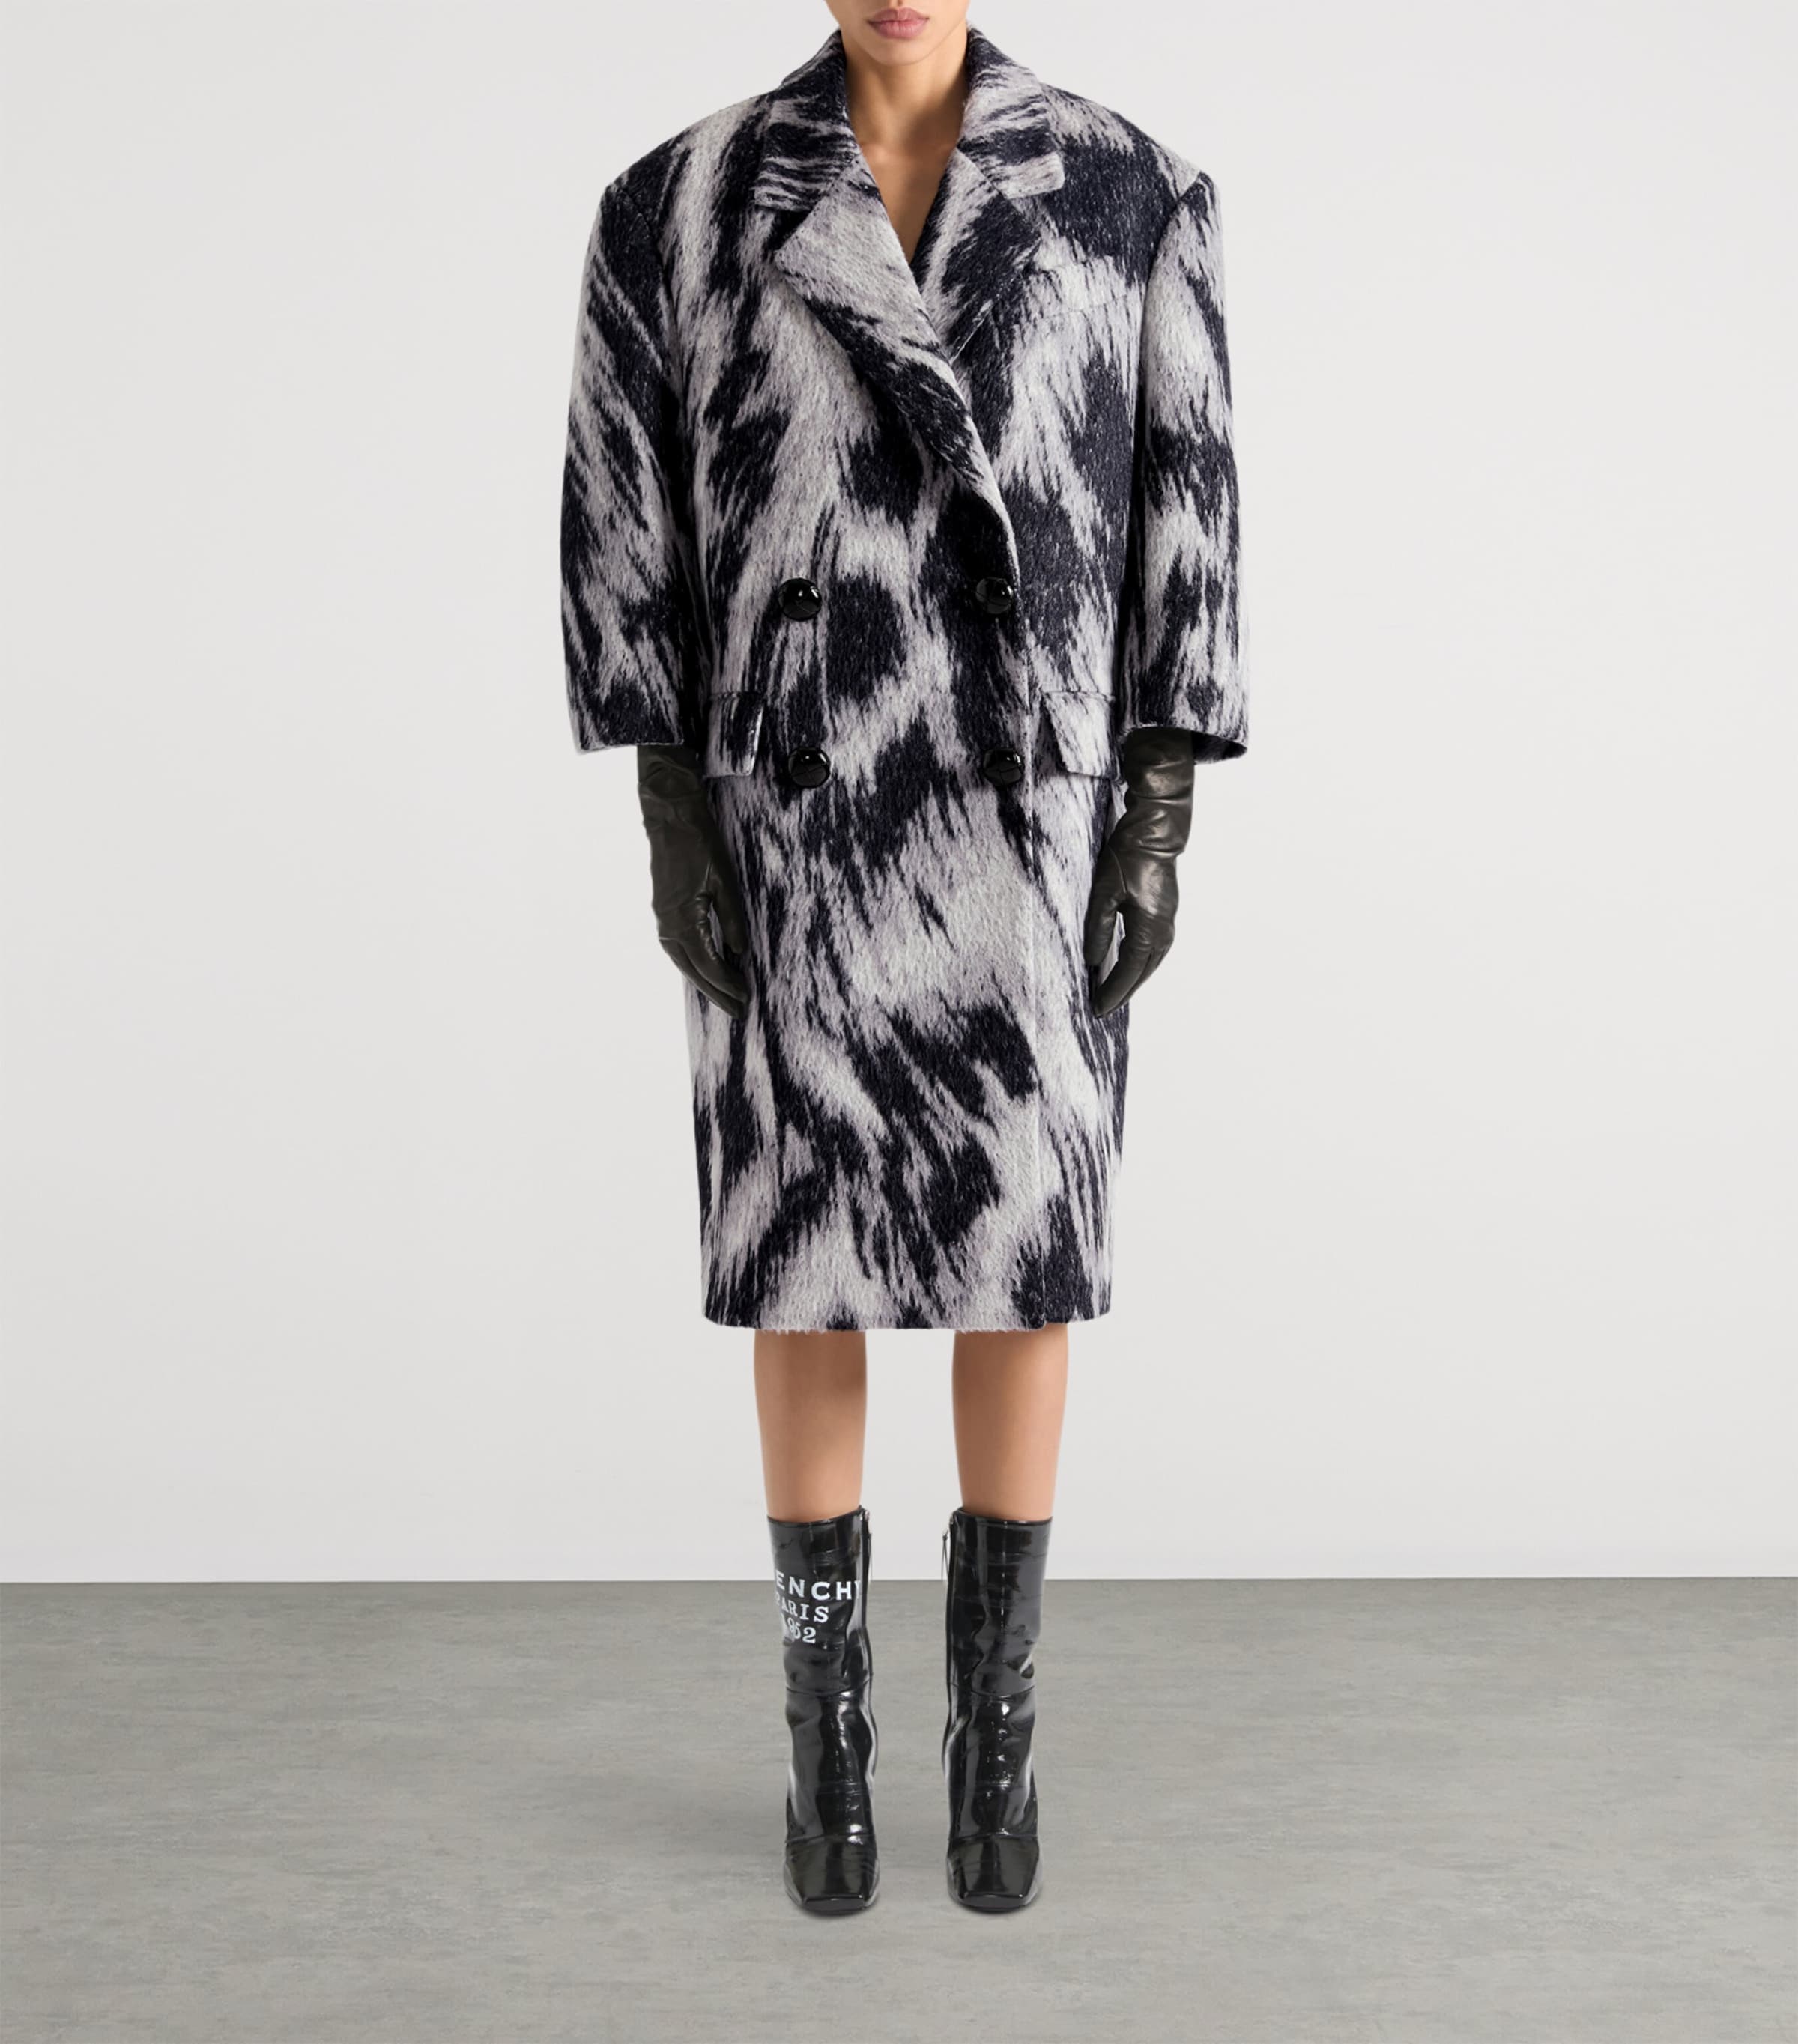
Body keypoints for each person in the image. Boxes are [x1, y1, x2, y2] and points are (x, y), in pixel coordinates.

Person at [559, 0, 1244, 1914]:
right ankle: (827, 1746)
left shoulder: (1128, 192)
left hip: (1027, 817)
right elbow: (628, 520)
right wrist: (672, 806)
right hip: (795, 811)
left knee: (1023, 1258)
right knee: (807, 1263)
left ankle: (993, 1742)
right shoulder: (680, 204)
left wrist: (1158, 810)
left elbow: (1187, 510)